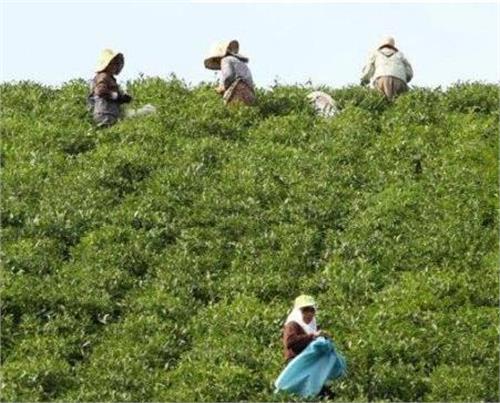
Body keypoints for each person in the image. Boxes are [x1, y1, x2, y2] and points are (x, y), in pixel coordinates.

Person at [281, 295, 335, 398]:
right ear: (298, 311)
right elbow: (290, 342)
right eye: (305, 310)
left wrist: (325, 338)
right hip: (296, 362)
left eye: (312, 310)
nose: (309, 313)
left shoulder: (312, 325)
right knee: (302, 393)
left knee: (320, 391)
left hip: (309, 362)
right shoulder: (292, 324)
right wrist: (313, 336)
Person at [88, 49, 132, 127]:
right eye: (112, 63)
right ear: (106, 65)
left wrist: (122, 98)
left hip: (110, 114)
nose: (114, 66)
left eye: (116, 63)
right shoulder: (103, 76)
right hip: (104, 114)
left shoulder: (109, 78)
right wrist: (117, 96)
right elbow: (100, 91)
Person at [204, 40, 256, 106]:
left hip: (239, 92)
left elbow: (228, 76)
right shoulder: (238, 62)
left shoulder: (225, 60)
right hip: (250, 95)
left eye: (215, 59)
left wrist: (223, 88)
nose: (216, 61)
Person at [360, 36, 413, 101]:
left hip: (381, 79)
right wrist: (404, 79)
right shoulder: (400, 55)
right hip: (400, 81)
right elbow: (409, 72)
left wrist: (364, 80)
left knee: (382, 101)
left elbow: (368, 70)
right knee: (399, 102)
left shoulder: (376, 53)